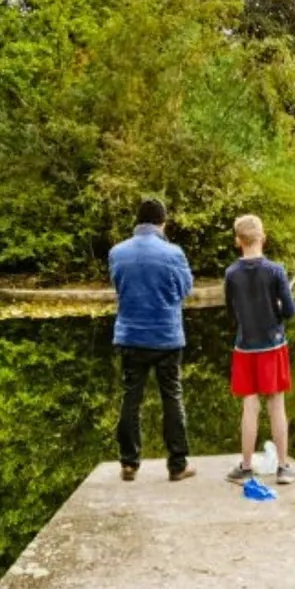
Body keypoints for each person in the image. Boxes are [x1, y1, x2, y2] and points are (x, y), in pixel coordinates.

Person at [109, 198, 197, 482]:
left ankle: (129, 463)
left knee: (130, 397)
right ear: (162, 223)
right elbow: (185, 289)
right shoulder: (173, 253)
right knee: (171, 396)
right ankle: (177, 464)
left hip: (131, 336)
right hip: (166, 337)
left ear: (137, 222)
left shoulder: (117, 252)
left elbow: (119, 286)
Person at [224, 214, 295, 485]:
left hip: (245, 348)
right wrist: (278, 307)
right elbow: (289, 311)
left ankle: (245, 467)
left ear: (238, 241)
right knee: (276, 405)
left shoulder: (231, 274)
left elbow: (231, 315)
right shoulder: (276, 271)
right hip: (273, 346)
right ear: (263, 238)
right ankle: (283, 468)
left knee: (249, 407)